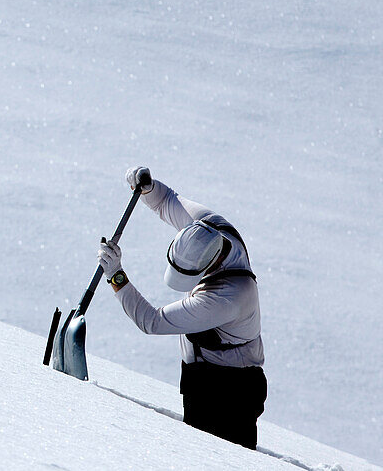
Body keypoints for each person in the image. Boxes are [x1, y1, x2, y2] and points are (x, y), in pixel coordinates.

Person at [98, 166, 267, 449]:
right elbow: (167, 201)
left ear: (209, 264)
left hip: (228, 393)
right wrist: (147, 187)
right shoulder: (208, 226)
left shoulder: (227, 297)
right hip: (205, 379)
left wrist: (116, 276)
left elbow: (151, 322)